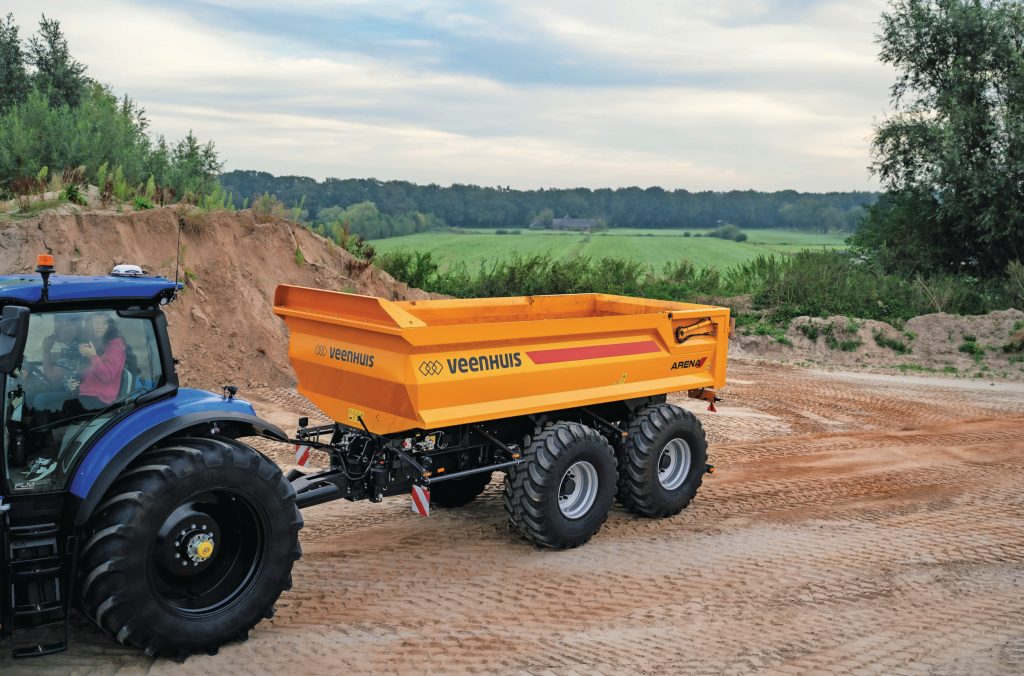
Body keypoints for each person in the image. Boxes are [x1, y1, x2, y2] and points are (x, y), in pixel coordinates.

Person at [77, 313, 127, 408]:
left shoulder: (116, 348)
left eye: (104, 323)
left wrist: (92, 356)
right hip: (85, 394)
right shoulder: (96, 344)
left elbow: (107, 376)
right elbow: (87, 373)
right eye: (96, 323)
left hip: (101, 399)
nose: (99, 327)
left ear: (110, 326)